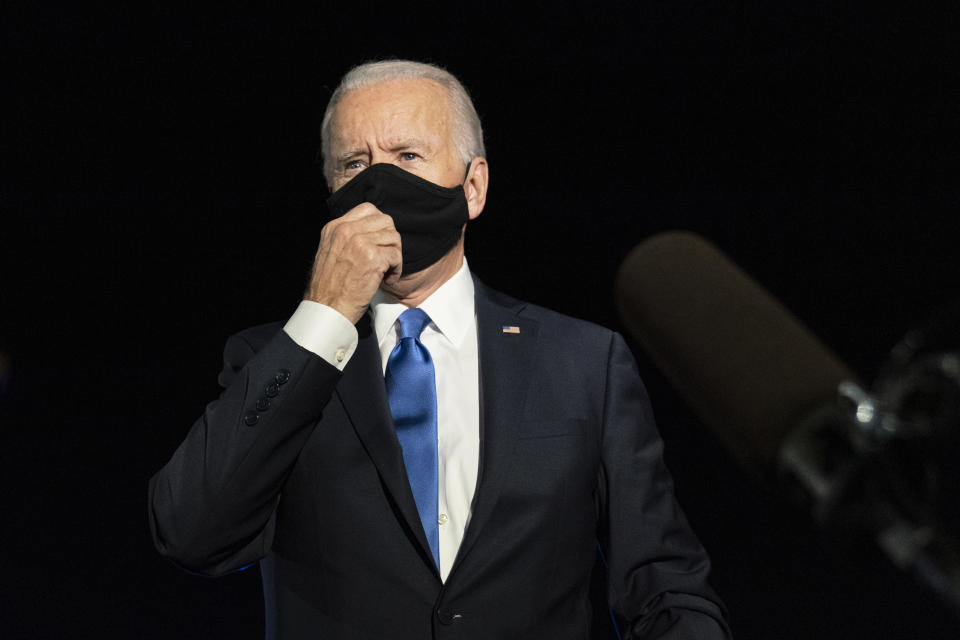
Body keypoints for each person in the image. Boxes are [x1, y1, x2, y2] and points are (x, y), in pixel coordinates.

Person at [149, 59, 731, 639]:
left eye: (407, 156)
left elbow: (665, 587)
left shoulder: (582, 363)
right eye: (354, 164)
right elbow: (192, 535)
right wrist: (323, 316)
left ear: (472, 187)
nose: (378, 185)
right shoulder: (271, 359)